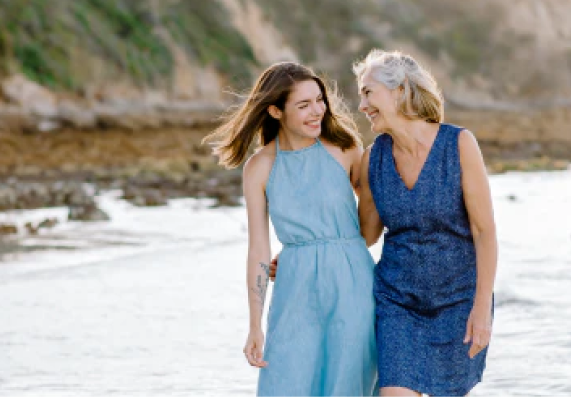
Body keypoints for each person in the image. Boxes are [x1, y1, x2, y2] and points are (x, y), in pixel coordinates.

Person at [203, 62, 378, 396]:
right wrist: (255, 325)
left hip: (353, 285)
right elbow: (258, 247)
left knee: (348, 384)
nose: (317, 112)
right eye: (303, 105)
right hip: (294, 291)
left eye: (319, 100)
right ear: (275, 111)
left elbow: (371, 224)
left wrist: (328, 251)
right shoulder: (260, 167)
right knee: (287, 381)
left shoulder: (346, 150)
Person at [354, 49, 498, 397]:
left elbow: (484, 231)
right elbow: (365, 235)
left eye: (368, 92)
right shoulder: (373, 158)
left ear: (399, 90)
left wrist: (481, 310)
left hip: (458, 302)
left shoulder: (458, 144)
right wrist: (308, 248)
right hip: (397, 302)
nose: (361, 105)